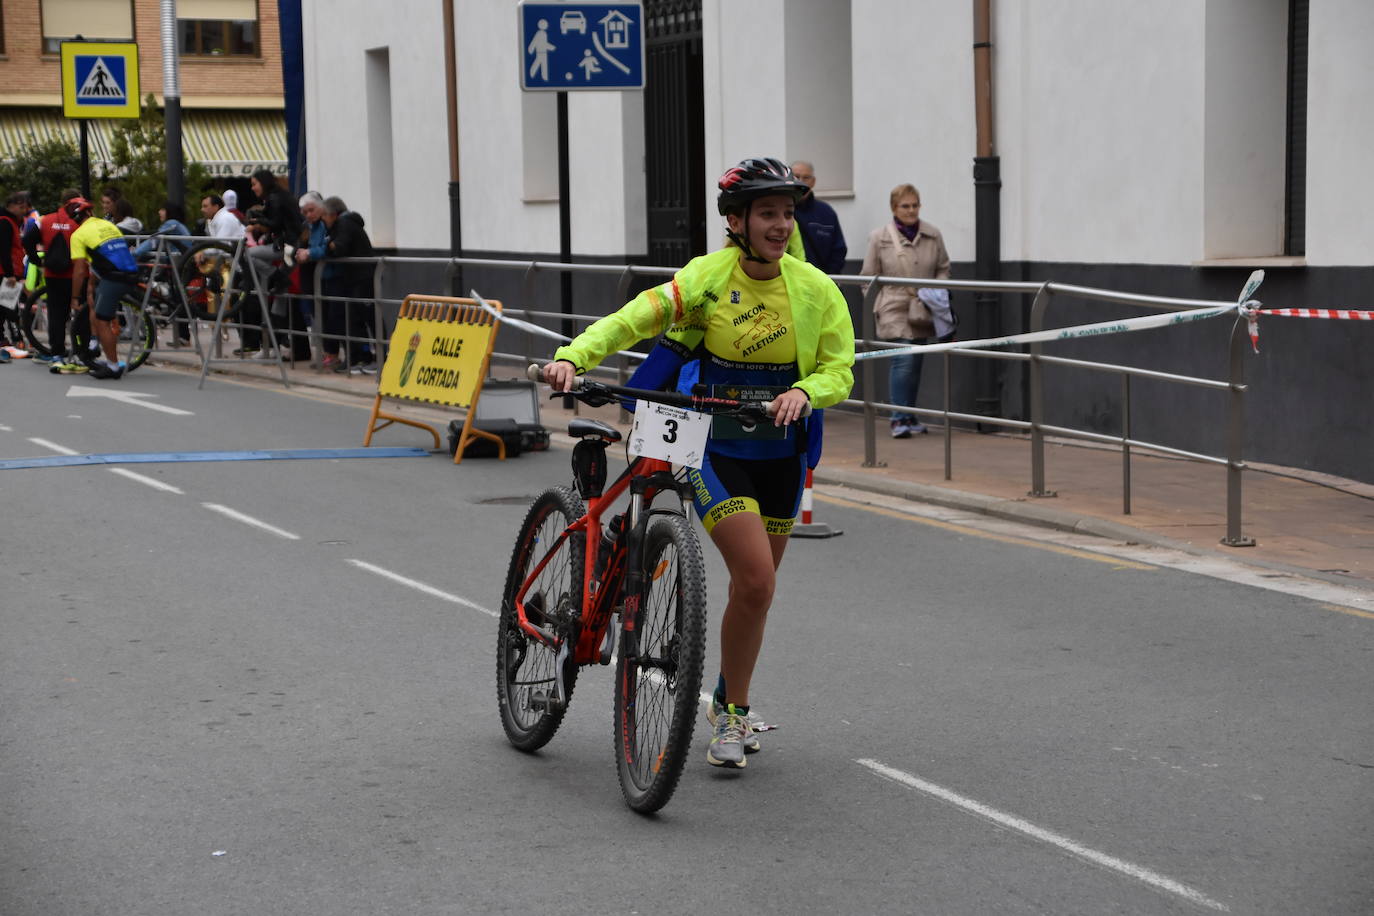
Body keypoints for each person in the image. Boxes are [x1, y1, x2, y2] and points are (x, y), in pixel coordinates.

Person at [542, 157, 855, 770]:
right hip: (713, 450)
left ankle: (729, 708)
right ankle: (730, 716)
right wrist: (574, 356)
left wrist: (806, 393)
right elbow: (637, 316)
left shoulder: (816, 290)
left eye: (787, 213)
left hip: (782, 458)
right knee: (760, 578)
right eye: (768, 213)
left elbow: (839, 368)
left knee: (754, 592)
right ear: (736, 221)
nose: (781, 225)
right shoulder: (707, 278)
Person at [861, 183, 950, 437]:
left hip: (923, 305)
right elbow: (867, 275)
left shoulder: (933, 234)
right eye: (905, 206)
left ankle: (909, 415)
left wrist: (938, 292)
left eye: (915, 205)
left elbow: (944, 266)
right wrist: (875, 303)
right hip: (893, 303)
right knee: (905, 358)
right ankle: (898, 418)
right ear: (894, 208)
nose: (911, 211)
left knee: (916, 359)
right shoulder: (879, 237)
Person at [67, 197, 141, 379]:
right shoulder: (108, 225)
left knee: (102, 320)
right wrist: (92, 284)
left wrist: (75, 298)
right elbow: (103, 257)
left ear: (74, 219)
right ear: (90, 212)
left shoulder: (78, 235)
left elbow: (78, 271)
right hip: (131, 272)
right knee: (97, 301)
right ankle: (95, 345)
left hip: (115, 278)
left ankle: (113, 366)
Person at [240, 170, 302, 355]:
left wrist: (257, 223)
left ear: (263, 183)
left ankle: (277, 277)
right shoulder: (278, 197)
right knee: (280, 299)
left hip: (285, 247)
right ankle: (274, 345)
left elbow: (274, 223)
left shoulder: (275, 198)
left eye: (254, 184)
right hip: (289, 246)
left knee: (248, 255)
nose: (252, 188)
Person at [21, 188, 82, 362]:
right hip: (75, 273)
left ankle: (57, 352)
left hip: (53, 273)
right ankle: (83, 350)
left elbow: (26, 239)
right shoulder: (79, 222)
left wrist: (36, 260)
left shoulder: (45, 220)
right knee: (81, 310)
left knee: (56, 313)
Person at [318, 195, 376, 372]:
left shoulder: (344, 224)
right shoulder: (346, 223)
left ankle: (375, 357)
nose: (323, 220)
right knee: (356, 318)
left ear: (334, 214)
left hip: (361, 276)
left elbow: (339, 247)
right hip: (355, 277)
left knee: (367, 316)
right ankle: (361, 357)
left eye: (325, 216)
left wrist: (327, 245)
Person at [789, 160, 848, 274]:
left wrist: (826, 277)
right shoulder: (782, 212)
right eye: (796, 176)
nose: (801, 181)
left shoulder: (826, 212)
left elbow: (839, 250)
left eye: (806, 177)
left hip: (821, 282)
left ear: (813, 182)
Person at [0, 192, 29, 361]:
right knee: (9, 308)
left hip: (8, 271)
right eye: (21, 206)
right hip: (6, 272)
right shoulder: (6, 222)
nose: (24, 210)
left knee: (5, 308)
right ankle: (16, 341)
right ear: (11, 206)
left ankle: (6, 341)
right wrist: (11, 274)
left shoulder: (10, 221)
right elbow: (4, 249)